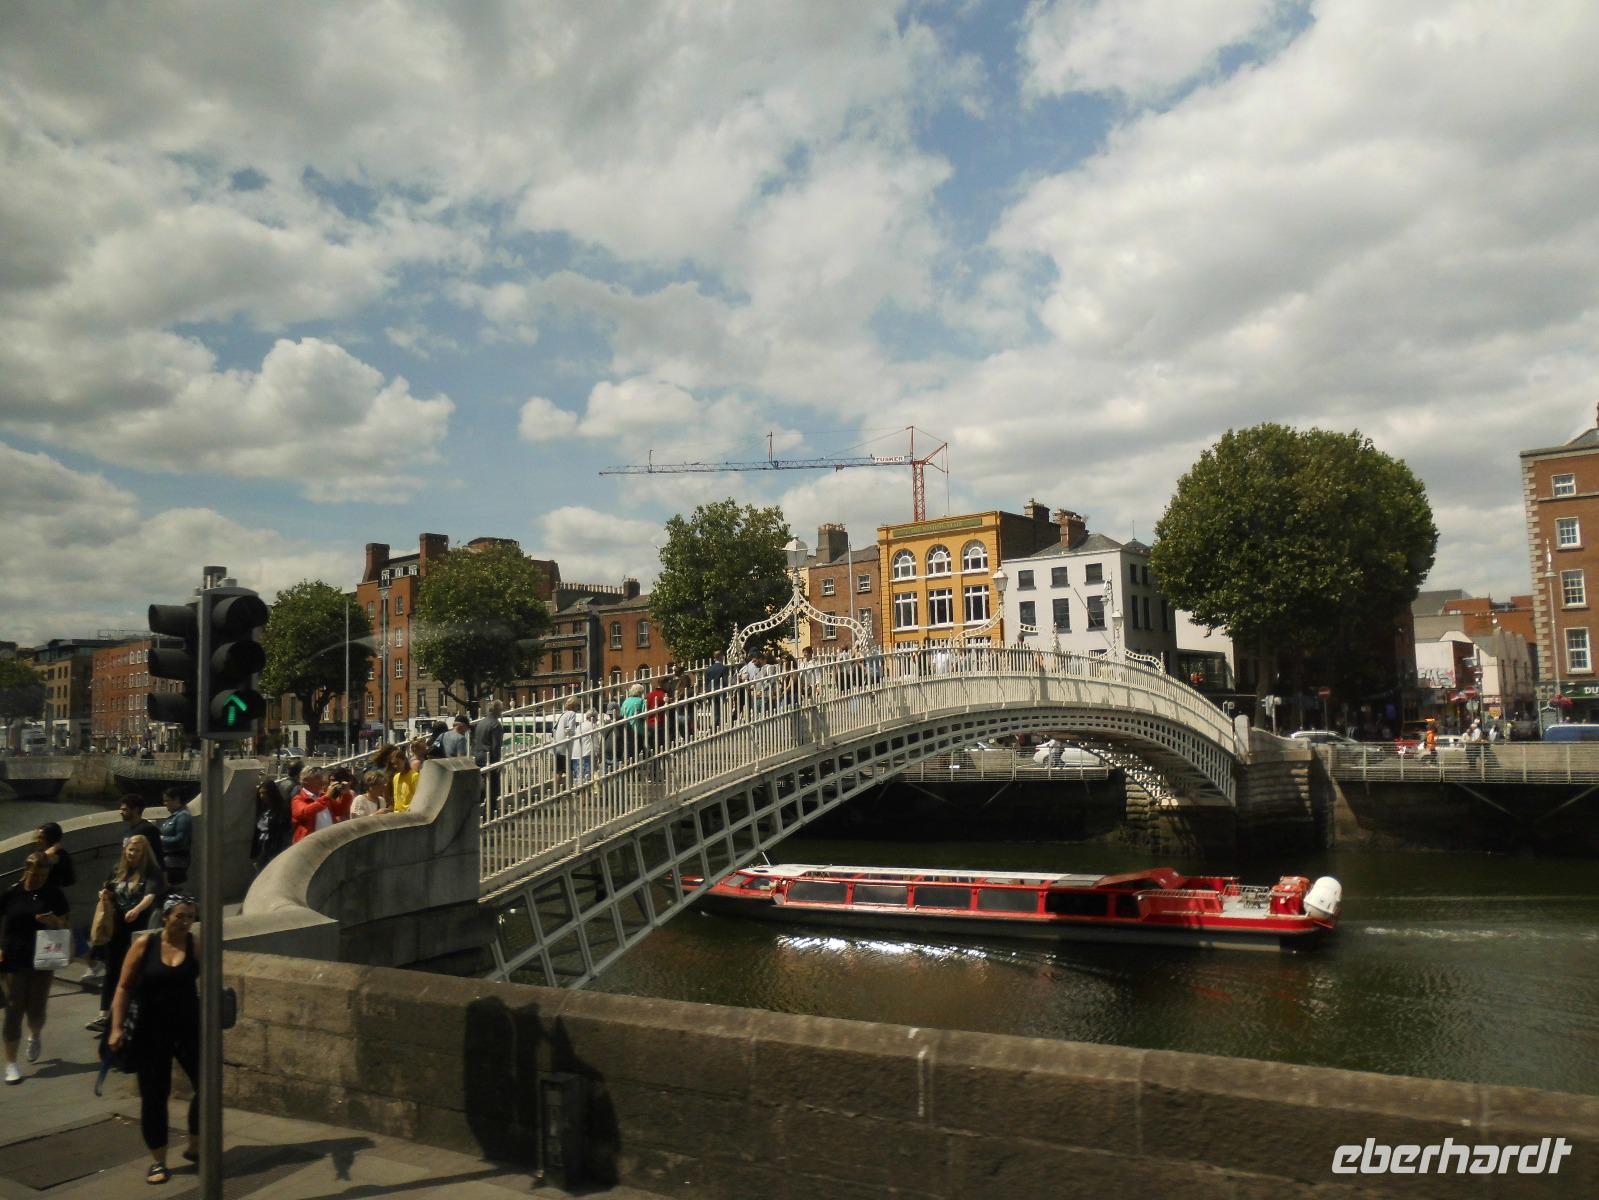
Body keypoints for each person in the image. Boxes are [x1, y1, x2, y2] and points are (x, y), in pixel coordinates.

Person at [110, 894, 200, 1185]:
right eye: (180, 916)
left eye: (190, 917)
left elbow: (208, 981)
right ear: (165, 917)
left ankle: (196, 1142)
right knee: (154, 1096)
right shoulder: (144, 945)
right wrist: (116, 1027)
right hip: (151, 1031)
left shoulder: (194, 945)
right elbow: (123, 987)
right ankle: (158, 1161)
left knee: (209, 1085)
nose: (186, 922)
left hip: (187, 1028)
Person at [0, 853, 70, 1084]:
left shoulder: (54, 895)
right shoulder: (12, 893)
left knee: (36, 1009)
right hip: (14, 957)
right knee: (13, 1009)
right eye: (36, 874)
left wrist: (55, 922)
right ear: (26, 871)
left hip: (45, 956)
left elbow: (66, 924)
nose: (39, 879)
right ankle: (11, 1063)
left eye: (44, 875)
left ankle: (35, 1034)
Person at [86, 835, 160, 1035]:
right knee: (111, 971)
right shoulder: (118, 869)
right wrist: (103, 895)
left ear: (144, 853)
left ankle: (130, 1015)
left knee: (133, 972)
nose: (132, 854)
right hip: (116, 927)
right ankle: (104, 1014)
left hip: (137, 928)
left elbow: (150, 895)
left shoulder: (151, 871)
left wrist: (137, 909)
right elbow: (108, 889)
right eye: (130, 850)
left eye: (136, 851)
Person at [118, 795, 168, 878]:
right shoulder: (128, 830)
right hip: (130, 875)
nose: (120, 812)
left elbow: (158, 855)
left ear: (136, 809)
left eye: (124, 809)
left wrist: (163, 878)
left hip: (145, 877)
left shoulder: (148, 829)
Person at [249, 780, 292, 873]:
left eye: (265, 793)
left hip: (274, 846)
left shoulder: (282, 810)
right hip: (261, 845)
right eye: (260, 793)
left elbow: (284, 830)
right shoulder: (262, 809)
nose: (262, 796)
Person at [157, 787, 193, 887]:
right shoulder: (172, 817)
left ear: (176, 800)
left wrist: (161, 839)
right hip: (166, 861)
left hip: (175, 863)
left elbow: (180, 840)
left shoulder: (183, 816)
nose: (165, 804)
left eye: (167, 800)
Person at [289, 768, 331, 844]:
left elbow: (341, 811)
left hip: (328, 842)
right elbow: (304, 813)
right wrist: (326, 798)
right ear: (306, 781)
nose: (322, 780)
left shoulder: (323, 797)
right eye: (317, 777)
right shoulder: (298, 799)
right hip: (309, 844)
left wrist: (345, 794)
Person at [31, 823, 75, 890]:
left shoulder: (60, 855)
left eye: (41, 837)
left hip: (49, 893)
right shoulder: (40, 851)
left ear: (51, 838)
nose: (38, 840)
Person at [619, 683, 647, 760]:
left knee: (629, 750)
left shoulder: (625, 701)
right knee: (639, 747)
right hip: (638, 729)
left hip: (626, 728)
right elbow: (644, 716)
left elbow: (621, 714)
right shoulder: (642, 701)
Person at [572, 709, 599, 784]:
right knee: (586, 778)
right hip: (586, 754)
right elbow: (595, 743)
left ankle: (581, 794)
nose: (597, 721)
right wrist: (598, 754)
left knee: (578, 778)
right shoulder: (593, 726)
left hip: (575, 754)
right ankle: (585, 794)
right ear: (593, 718)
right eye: (596, 719)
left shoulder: (580, 726)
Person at [391, 748, 421, 815]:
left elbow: (417, 798)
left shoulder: (414, 776)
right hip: (397, 814)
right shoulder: (395, 778)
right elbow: (396, 798)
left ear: (404, 760)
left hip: (409, 814)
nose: (395, 766)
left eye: (398, 763)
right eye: (393, 764)